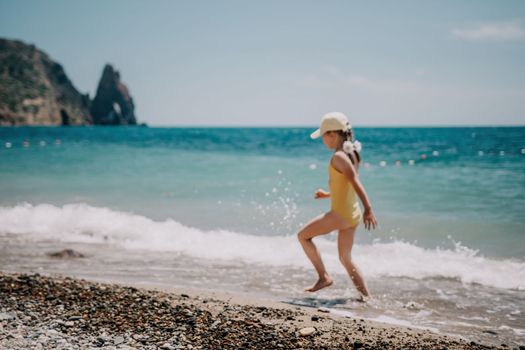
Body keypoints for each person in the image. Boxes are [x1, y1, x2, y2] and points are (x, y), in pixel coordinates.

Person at [297, 112, 378, 298]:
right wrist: (328, 194)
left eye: (324, 136)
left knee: (303, 236)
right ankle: (366, 297)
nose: (323, 141)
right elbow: (346, 185)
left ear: (332, 135)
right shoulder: (351, 154)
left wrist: (369, 209)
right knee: (345, 259)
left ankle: (323, 277)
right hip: (352, 214)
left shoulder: (339, 157)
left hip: (340, 215)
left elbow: (356, 182)